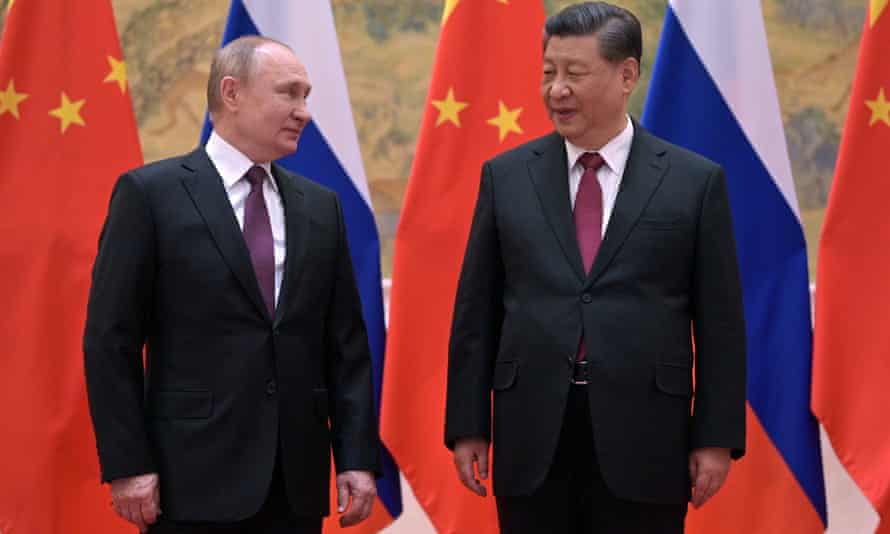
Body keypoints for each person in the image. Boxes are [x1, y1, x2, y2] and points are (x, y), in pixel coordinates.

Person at [445, 3, 747, 533]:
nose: (556, 89)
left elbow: (721, 325)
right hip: (532, 433)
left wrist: (715, 437)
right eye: (548, 73)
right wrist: (468, 426)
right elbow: (477, 313)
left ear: (626, 74)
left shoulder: (693, 182)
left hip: (647, 437)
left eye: (574, 73)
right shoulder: (506, 177)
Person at [84, 35, 379, 534]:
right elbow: (110, 341)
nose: (303, 111)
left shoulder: (320, 206)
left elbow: (345, 347)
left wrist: (355, 458)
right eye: (289, 93)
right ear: (232, 92)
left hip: (295, 483)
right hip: (190, 479)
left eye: (306, 96)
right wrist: (128, 464)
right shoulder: (150, 195)